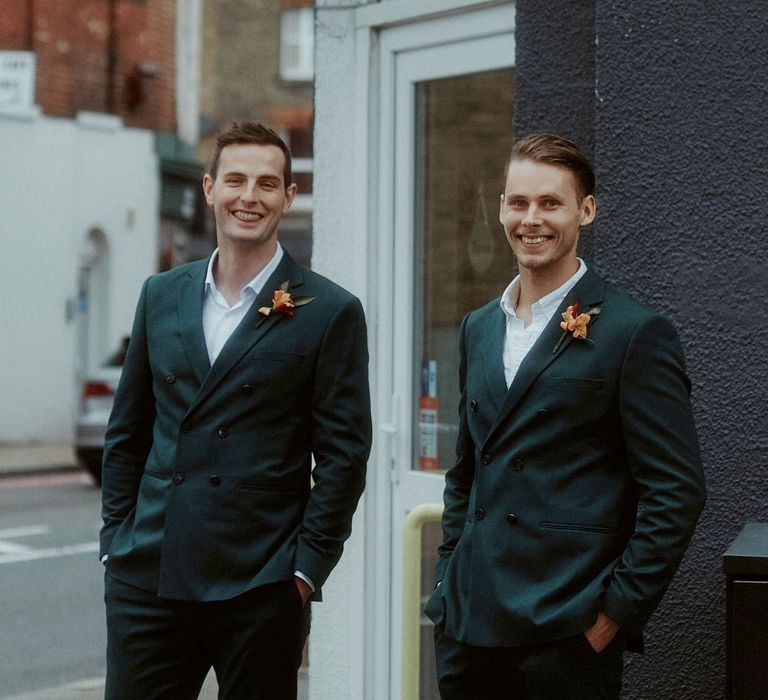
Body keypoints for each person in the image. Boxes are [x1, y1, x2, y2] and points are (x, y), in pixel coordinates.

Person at [424, 132, 706, 699]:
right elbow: (468, 469)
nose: (532, 219)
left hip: (565, 636)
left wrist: (610, 618)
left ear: (586, 210)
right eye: (518, 202)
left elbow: (678, 492)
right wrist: (449, 578)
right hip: (469, 628)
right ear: (502, 208)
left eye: (550, 203)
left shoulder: (633, 333)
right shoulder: (479, 327)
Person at [100, 121, 372, 699]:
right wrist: (115, 543)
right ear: (209, 188)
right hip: (150, 573)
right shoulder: (161, 294)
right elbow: (128, 432)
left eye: (268, 184)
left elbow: (345, 456)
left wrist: (303, 573)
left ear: (289, 197)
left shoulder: (329, 312)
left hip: (260, 583)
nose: (250, 197)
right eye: (237, 181)